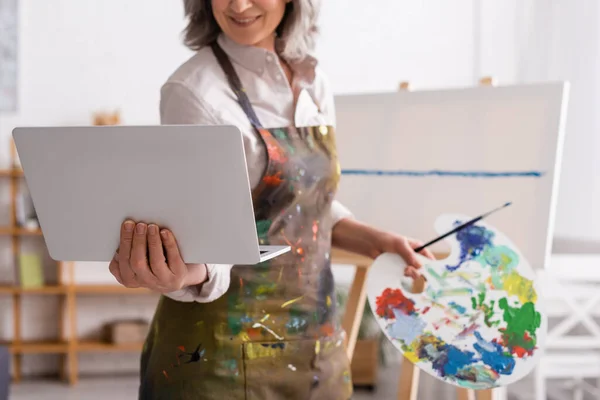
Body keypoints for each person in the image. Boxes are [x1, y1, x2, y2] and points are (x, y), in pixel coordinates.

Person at [108, 0, 434, 399]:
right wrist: (184, 274)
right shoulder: (194, 90)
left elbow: (302, 203)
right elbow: (205, 228)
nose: (239, 6)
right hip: (219, 360)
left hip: (317, 347)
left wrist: (376, 241)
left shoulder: (314, 81)